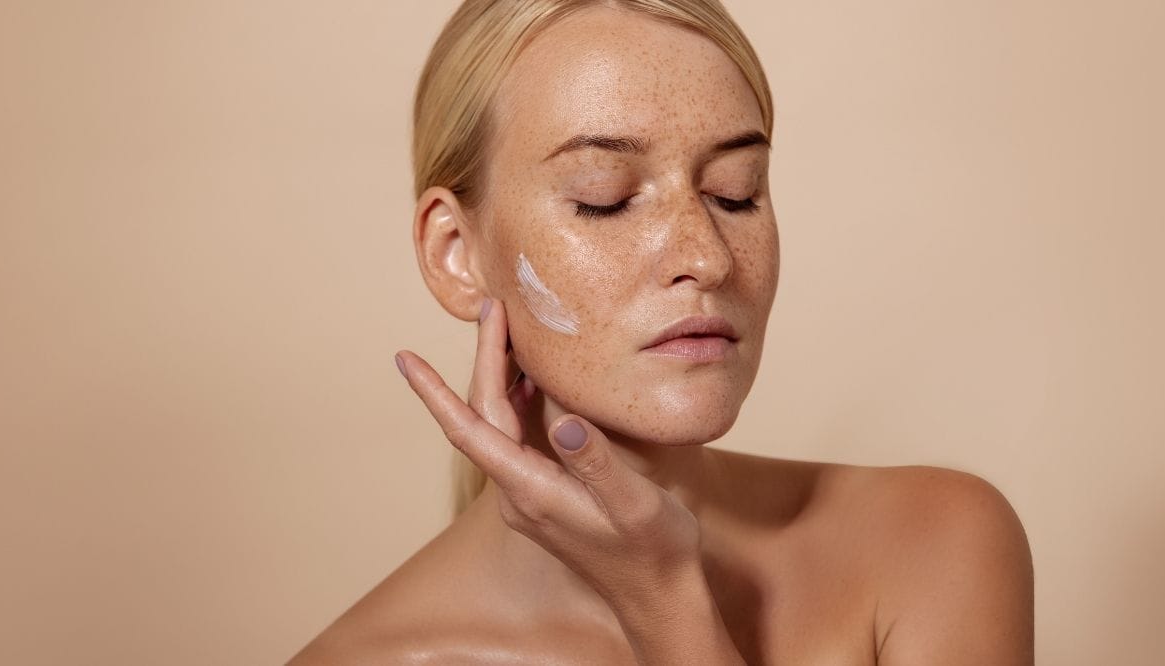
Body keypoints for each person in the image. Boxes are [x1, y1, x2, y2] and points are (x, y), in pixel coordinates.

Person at [292, 1, 1034, 663]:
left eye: (734, 194)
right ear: (457, 255)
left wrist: (667, 601)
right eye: (604, 200)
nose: (706, 258)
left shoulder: (931, 544)